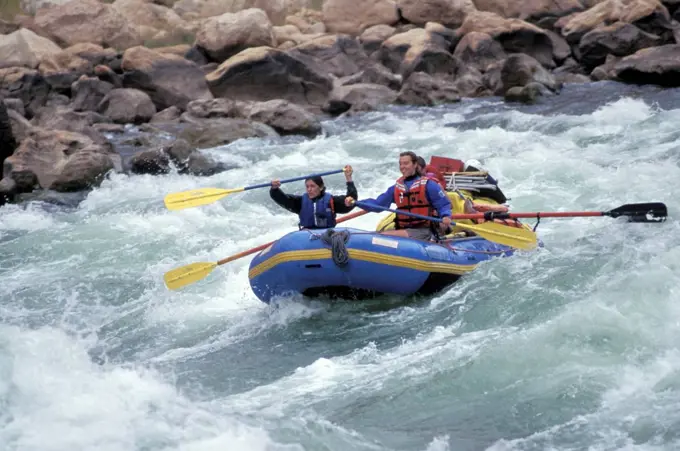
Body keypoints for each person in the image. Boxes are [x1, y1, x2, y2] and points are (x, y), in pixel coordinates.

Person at [359, 152, 452, 241]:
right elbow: (377, 205)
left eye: (406, 163)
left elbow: (444, 204)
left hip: (423, 231)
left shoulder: (429, 185)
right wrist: (356, 203)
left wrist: (446, 216)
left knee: (381, 237)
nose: (402, 167)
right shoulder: (395, 188)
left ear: (415, 164)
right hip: (404, 229)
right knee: (379, 236)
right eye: (400, 164)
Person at [270, 165, 357, 229]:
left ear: (321, 187)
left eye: (312, 186)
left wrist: (348, 178)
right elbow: (282, 199)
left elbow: (352, 200)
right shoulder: (300, 202)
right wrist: (274, 189)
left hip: (327, 236)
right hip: (307, 236)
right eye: (307, 186)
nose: (309, 189)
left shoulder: (331, 201)